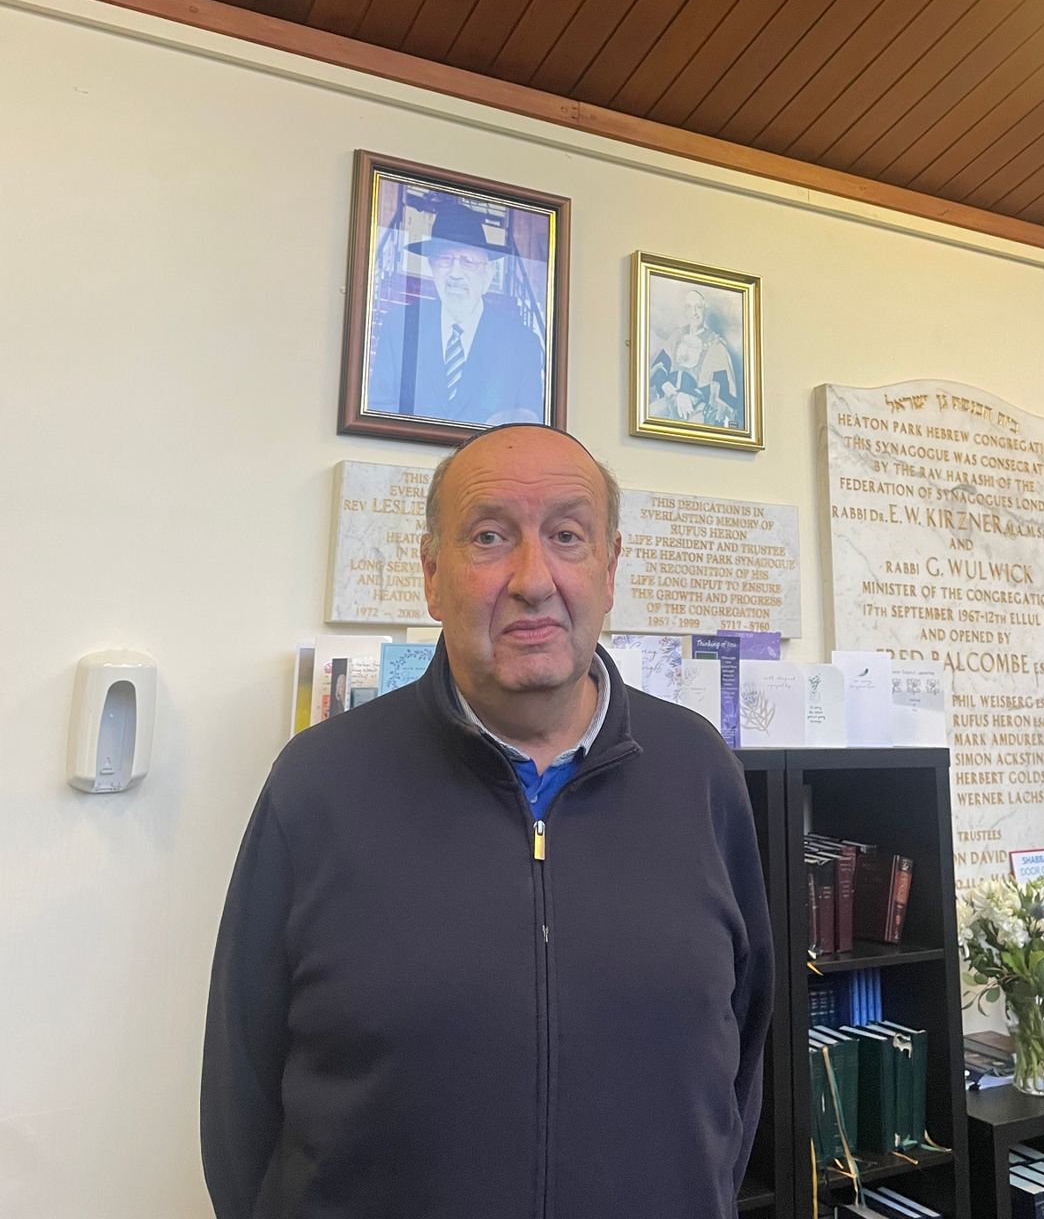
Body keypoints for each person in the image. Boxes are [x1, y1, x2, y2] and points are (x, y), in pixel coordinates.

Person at [201, 425, 773, 1219]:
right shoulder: (318, 782)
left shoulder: (700, 771)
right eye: (489, 537)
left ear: (610, 569)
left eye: (567, 536)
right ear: (432, 575)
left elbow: (740, 1062)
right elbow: (242, 1103)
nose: (533, 580)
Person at [367, 201, 545, 426]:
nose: (455, 274)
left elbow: (528, 428)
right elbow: (380, 409)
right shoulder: (399, 326)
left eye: (467, 262)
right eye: (445, 260)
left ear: (488, 273)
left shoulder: (521, 343)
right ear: (432, 268)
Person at [649, 287, 740, 427]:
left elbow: (723, 391)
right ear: (685, 311)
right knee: (649, 414)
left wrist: (691, 397)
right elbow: (658, 367)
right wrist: (665, 385)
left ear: (704, 310)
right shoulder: (676, 336)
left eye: (698, 307)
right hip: (671, 399)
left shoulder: (716, 345)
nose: (694, 313)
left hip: (700, 408)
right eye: (689, 307)